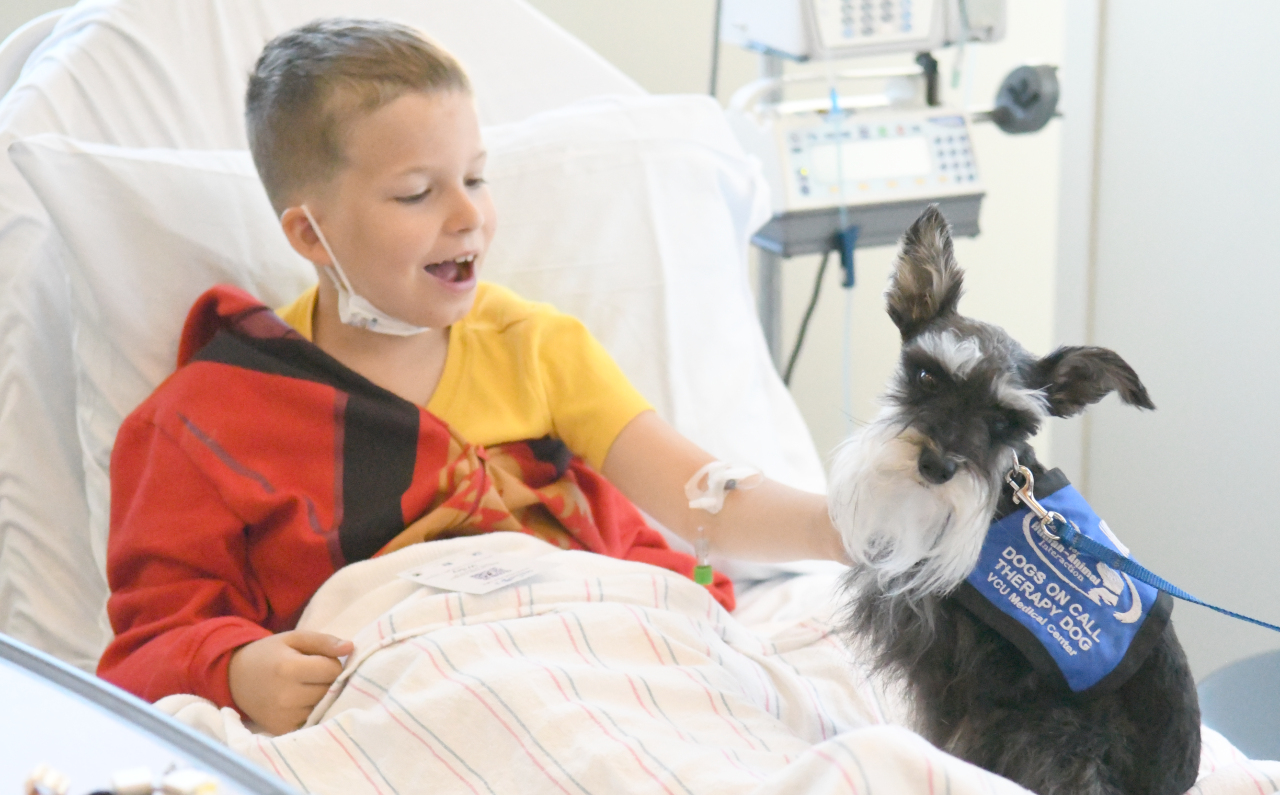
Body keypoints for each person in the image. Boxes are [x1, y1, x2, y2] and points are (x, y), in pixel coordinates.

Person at [97, 18, 847, 735]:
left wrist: (844, 528)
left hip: (594, 655)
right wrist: (237, 669)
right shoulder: (206, 420)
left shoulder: (536, 347)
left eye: (477, 178)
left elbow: (702, 497)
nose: (469, 217)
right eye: (416, 193)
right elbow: (152, 639)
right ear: (308, 232)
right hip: (415, 693)